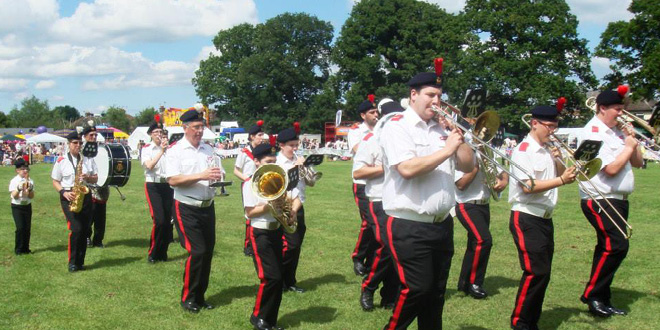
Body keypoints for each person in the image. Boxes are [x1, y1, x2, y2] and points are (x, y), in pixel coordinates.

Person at [379, 59, 475, 329]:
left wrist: (459, 136)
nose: (436, 101)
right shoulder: (397, 126)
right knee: (417, 288)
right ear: (413, 95)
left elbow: (469, 165)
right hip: (409, 223)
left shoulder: (442, 129)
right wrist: (446, 150)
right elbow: (407, 169)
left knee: (436, 295)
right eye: (430, 95)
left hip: (442, 224)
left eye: (439, 97)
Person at [508, 102, 577, 330]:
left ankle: (531, 321)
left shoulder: (547, 148)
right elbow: (528, 186)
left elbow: (557, 174)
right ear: (534, 123)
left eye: (555, 126)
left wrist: (558, 160)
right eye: (549, 126)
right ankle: (521, 322)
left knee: (543, 274)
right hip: (527, 216)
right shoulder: (523, 150)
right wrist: (561, 180)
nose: (553, 131)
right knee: (535, 272)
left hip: (545, 217)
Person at [577, 86, 642, 317]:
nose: (621, 114)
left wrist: (631, 140)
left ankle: (603, 298)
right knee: (617, 245)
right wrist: (627, 147)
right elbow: (612, 169)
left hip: (618, 199)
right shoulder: (593, 132)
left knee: (607, 247)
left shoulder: (615, 132)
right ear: (602, 108)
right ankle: (592, 294)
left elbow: (636, 162)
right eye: (617, 109)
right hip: (600, 198)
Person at [165, 109, 224, 313]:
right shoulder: (175, 151)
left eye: (202, 127)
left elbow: (217, 171)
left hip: (208, 206)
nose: (200, 131)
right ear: (185, 128)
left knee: (207, 253)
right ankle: (188, 298)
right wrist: (202, 175)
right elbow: (173, 180)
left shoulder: (208, 149)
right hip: (186, 207)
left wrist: (218, 176)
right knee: (197, 251)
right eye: (196, 127)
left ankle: (200, 296)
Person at [352, 100, 404, 311]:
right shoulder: (371, 139)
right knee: (386, 247)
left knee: (397, 249)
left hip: (400, 201)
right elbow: (358, 172)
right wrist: (387, 168)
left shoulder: (402, 139)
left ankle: (389, 295)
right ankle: (369, 286)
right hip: (378, 199)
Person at [244, 143, 301, 330]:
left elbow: (295, 197)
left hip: (276, 230)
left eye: (274, 161)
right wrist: (269, 206)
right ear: (256, 162)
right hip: (260, 232)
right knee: (271, 278)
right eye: (268, 162)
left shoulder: (279, 179)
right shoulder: (249, 184)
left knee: (277, 278)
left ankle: (270, 320)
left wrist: (292, 210)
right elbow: (250, 212)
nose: (273, 165)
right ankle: (258, 317)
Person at [454, 144, 508, 299]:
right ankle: (475, 283)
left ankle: (464, 283)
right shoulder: (461, 156)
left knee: (473, 244)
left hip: (484, 205)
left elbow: (503, 172)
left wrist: (503, 182)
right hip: (467, 204)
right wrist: (477, 164)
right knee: (483, 241)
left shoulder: (487, 153)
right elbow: (461, 185)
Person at [52, 131, 97, 272]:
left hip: (85, 195)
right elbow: (55, 180)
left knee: (84, 230)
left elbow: (96, 178)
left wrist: (88, 177)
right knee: (76, 229)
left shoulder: (87, 159)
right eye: (75, 143)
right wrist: (63, 192)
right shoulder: (61, 160)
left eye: (80, 143)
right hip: (69, 195)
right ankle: (72, 262)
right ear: (69, 144)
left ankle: (80, 262)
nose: (78, 145)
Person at [349, 94, 381, 276]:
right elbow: (358, 151)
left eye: (376, 111)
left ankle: (372, 258)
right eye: (372, 112)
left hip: (378, 181)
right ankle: (359, 257)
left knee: (377, 222)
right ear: (363, 115)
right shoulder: (356, 131)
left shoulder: (382, 129)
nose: (376, 114)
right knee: (368, 222)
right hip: (362, 182)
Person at [276, 123, 307, 293]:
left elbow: (310, 183)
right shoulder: (277, 163)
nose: (295, 149)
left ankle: (290, 281)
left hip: (299, 206)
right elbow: (282, 188)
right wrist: (296, 167)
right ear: (281, 145)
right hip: (285, 208)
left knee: (296, 247)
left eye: (297, 145)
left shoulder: (299, 159)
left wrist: (304, 169)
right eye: (291, 146)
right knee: (289, 246)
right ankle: (279, 280)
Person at [142, 117, 174, 263]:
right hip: (153, 185)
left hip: (167, 185)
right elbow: (150, 166)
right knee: (159, 220)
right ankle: (153, 252)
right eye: (156, 132)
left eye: (160, 131)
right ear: (150, 134)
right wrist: (162, 150)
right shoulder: (147, 149)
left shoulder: (170, 149)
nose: (158, 134)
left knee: (167, 222)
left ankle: (163, 253)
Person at [235, 120, 266, 257]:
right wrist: (247, 181)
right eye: (259, 135)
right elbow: (236, 171)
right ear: (252, 136)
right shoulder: (244, 152)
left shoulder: (263, 151)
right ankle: (248, 245)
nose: (262, 137)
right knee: (250, 214)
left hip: (263, 184)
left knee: (262, 212)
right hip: (248, 184)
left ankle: (259, 243)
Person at [83, 126, 107, 248]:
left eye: (95, 135)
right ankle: (87, 237)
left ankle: (98, 239)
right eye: (91, 135)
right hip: (88, 187)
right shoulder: (82, 151)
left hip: (101, 187)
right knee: (89, 215)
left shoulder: (101, 150)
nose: (93, 137)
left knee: (100, 216)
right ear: (85, 136)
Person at [9, 158, 34, 255]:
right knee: (20, 228)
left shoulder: (30, 180)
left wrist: (30, 190)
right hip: (17, 206)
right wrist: (19, 188)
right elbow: (14, 196)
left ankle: (26, 248)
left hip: (27, 205)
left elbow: (32, 196)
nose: (25, 171)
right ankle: (18, 249)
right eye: (23, 169)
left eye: (27, 169)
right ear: (17, 170)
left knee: (27, 228)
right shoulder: (14, 181)